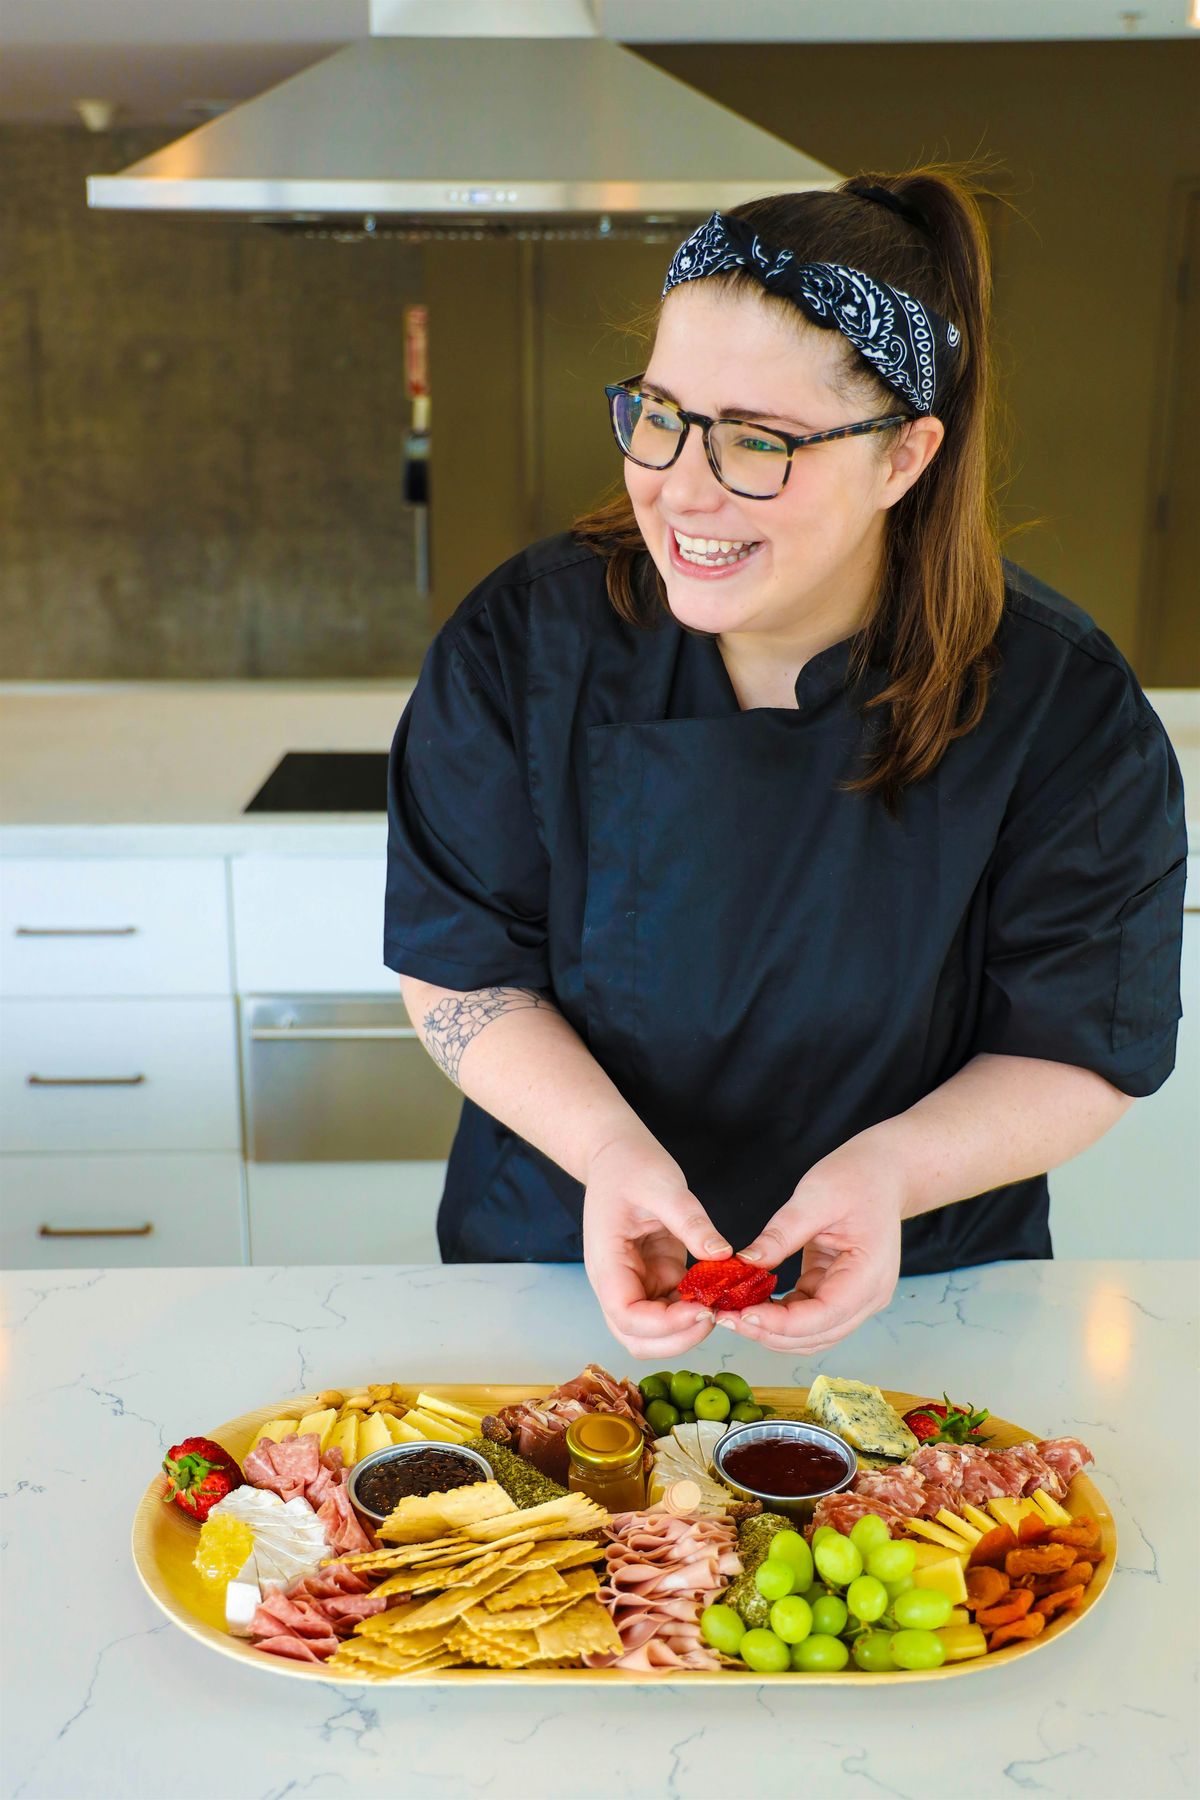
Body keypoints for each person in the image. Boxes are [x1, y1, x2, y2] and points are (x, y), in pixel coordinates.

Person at [383, 170, 1187, 1360]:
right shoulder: (526, 642)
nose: (682, 488)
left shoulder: (1059, 702)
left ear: (906, 459)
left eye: (760, 441)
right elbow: (461, 974)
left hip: (924, 1302)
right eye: (659, 416)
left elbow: (1080, 1044)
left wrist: (893, 1170)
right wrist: (609, 1155)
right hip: (562, 1273)